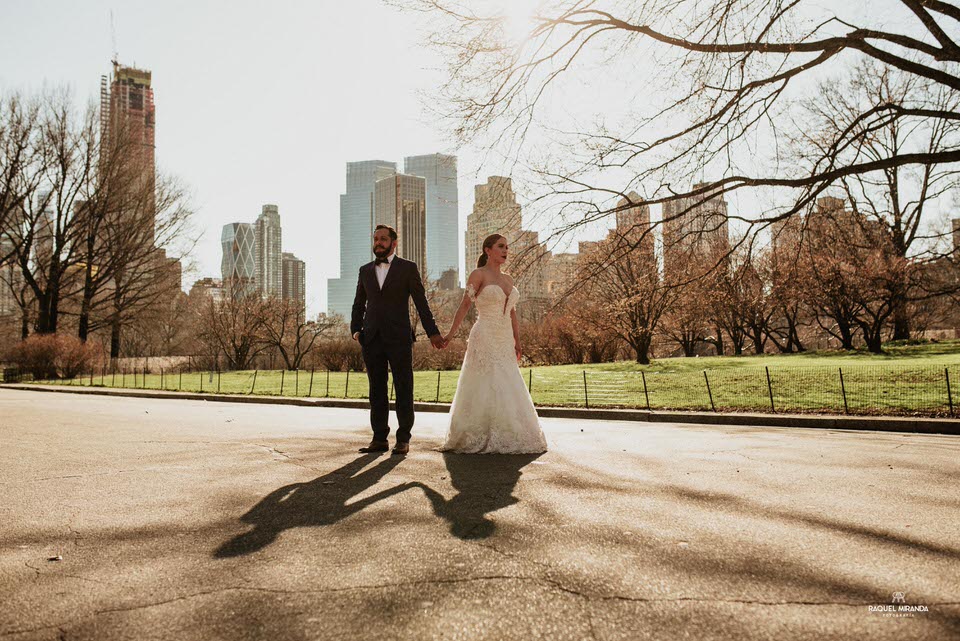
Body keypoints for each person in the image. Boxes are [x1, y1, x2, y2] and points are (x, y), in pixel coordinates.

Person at [439, 233, 547, 454]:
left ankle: (511, 431)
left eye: (507, 247)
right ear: (488, 250)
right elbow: (464, 305)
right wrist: (450, 334)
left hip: (505, 337)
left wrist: (517, 341)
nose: (506, 250)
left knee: (509, 379)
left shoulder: (509, 279)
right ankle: (478, 432)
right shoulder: (478, 274)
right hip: (485, 334)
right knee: (486, 380)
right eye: (501, 246)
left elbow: (513, 313)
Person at [351, 224, 445, 455]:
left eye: (383, 239)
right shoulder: (364, 270)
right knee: (376, 390)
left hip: (399, 337)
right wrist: (356, 330)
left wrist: (432, 332)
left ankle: (403, 439)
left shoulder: (407, 268)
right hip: (371, 338)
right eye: (375, 239)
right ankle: (379, 438)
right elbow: (358, 304)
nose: (378, 243)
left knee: (404, 387)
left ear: (394, 242)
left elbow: (421, 303)